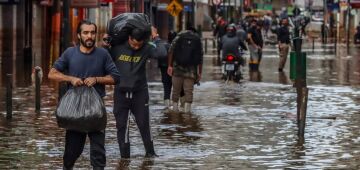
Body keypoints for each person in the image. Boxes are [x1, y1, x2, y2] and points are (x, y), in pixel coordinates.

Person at [48, 20, 121, 170]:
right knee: (72, 153)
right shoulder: (70, 53)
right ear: (79, 35)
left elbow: (115, 77)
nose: (90, 36)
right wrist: (70, 79)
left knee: (98, 154)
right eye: (86, 33)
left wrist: (97, 79)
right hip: (74, 110)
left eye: (92, 33)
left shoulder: (103, 54)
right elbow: (52, 74)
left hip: (96, 111)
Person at [104, 26, 167, 158]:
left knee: (144, 125)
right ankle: (124, 159)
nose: (137, 47)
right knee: (122, 127)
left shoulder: (147, 47)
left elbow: (161, 53)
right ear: (129, 38)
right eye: (134, 44)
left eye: (139, 44)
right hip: (121, 93)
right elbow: (103, 57)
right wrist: (105, 43)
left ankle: (150, 155)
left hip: (140, 93)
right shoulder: (117, 47)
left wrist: (155, 37)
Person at [168, 25, 203, 113]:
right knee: (189, 91)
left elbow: (171, 51)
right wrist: (199, 73)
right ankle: (187, 115)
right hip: (191, 71)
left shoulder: (179, 36)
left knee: (176, 90)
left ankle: (175, 113)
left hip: (177, 68)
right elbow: (200, 57)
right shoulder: (197, 39)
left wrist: (170, 66)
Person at [157, 29, 177, 108]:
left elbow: (159, 57)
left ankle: (167, 107)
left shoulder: (163, 46)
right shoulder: (177, 47)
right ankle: (176, 108)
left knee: (166, 88)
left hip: (164, 69)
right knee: (177, 89)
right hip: (174, 70)